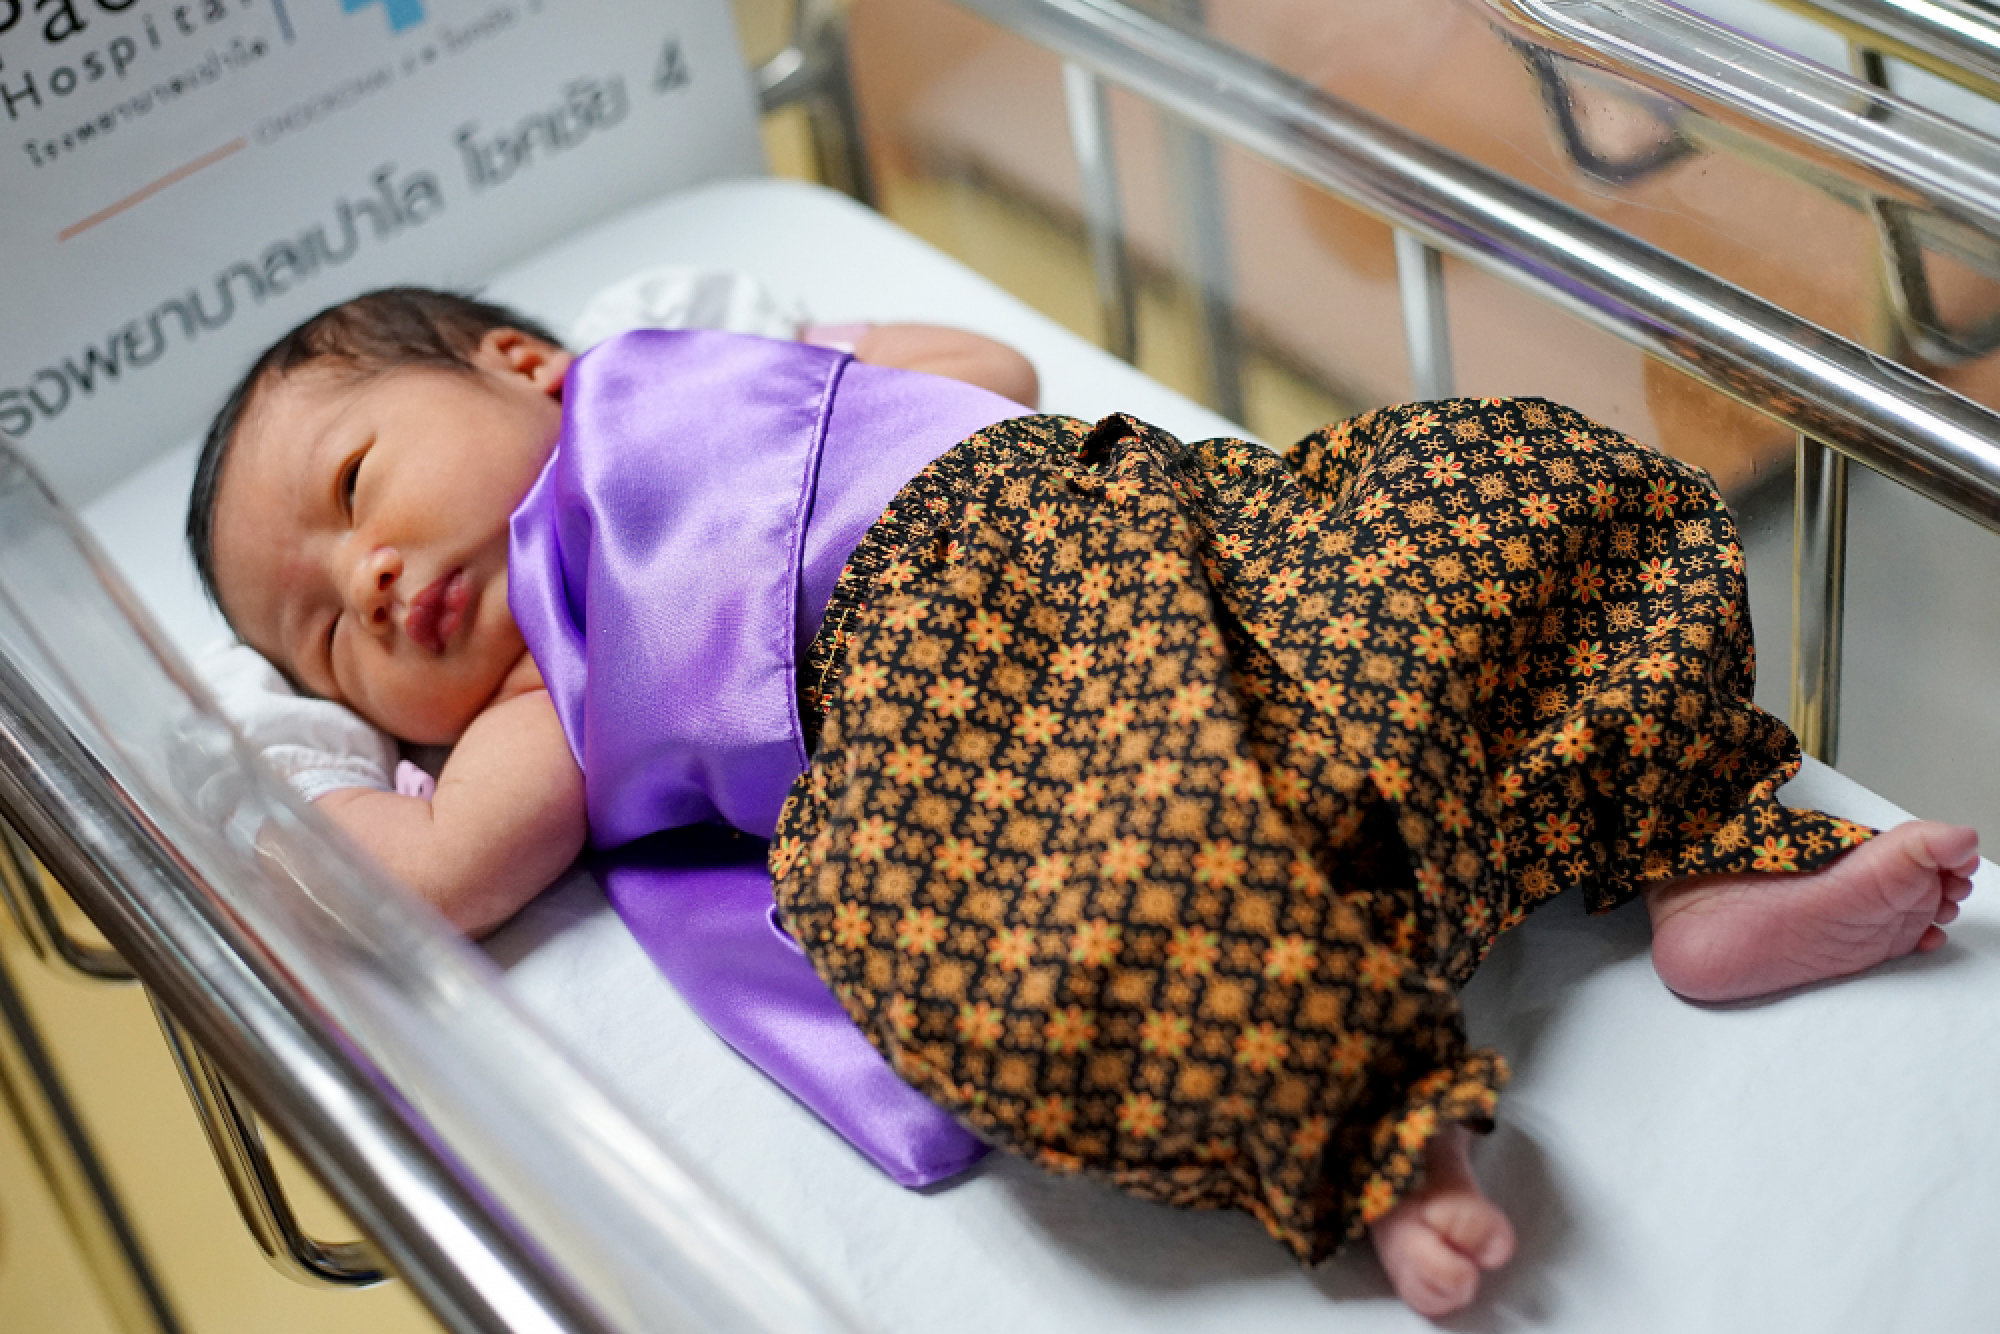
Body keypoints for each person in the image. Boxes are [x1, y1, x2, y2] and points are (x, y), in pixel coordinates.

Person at [189, 287, 1978, 1319]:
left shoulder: (689, 375)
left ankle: (1703, 848)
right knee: (1073, 919)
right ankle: (1358, 1131)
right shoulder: (543, 697)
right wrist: (292, 766)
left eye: (355, 484)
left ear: (517, 364)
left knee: (1510, 491)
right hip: (967, 709)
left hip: (1145, 526)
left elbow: (996, 381)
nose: (372, 580)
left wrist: (811, 366)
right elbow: (432, 869)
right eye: (324, 640)